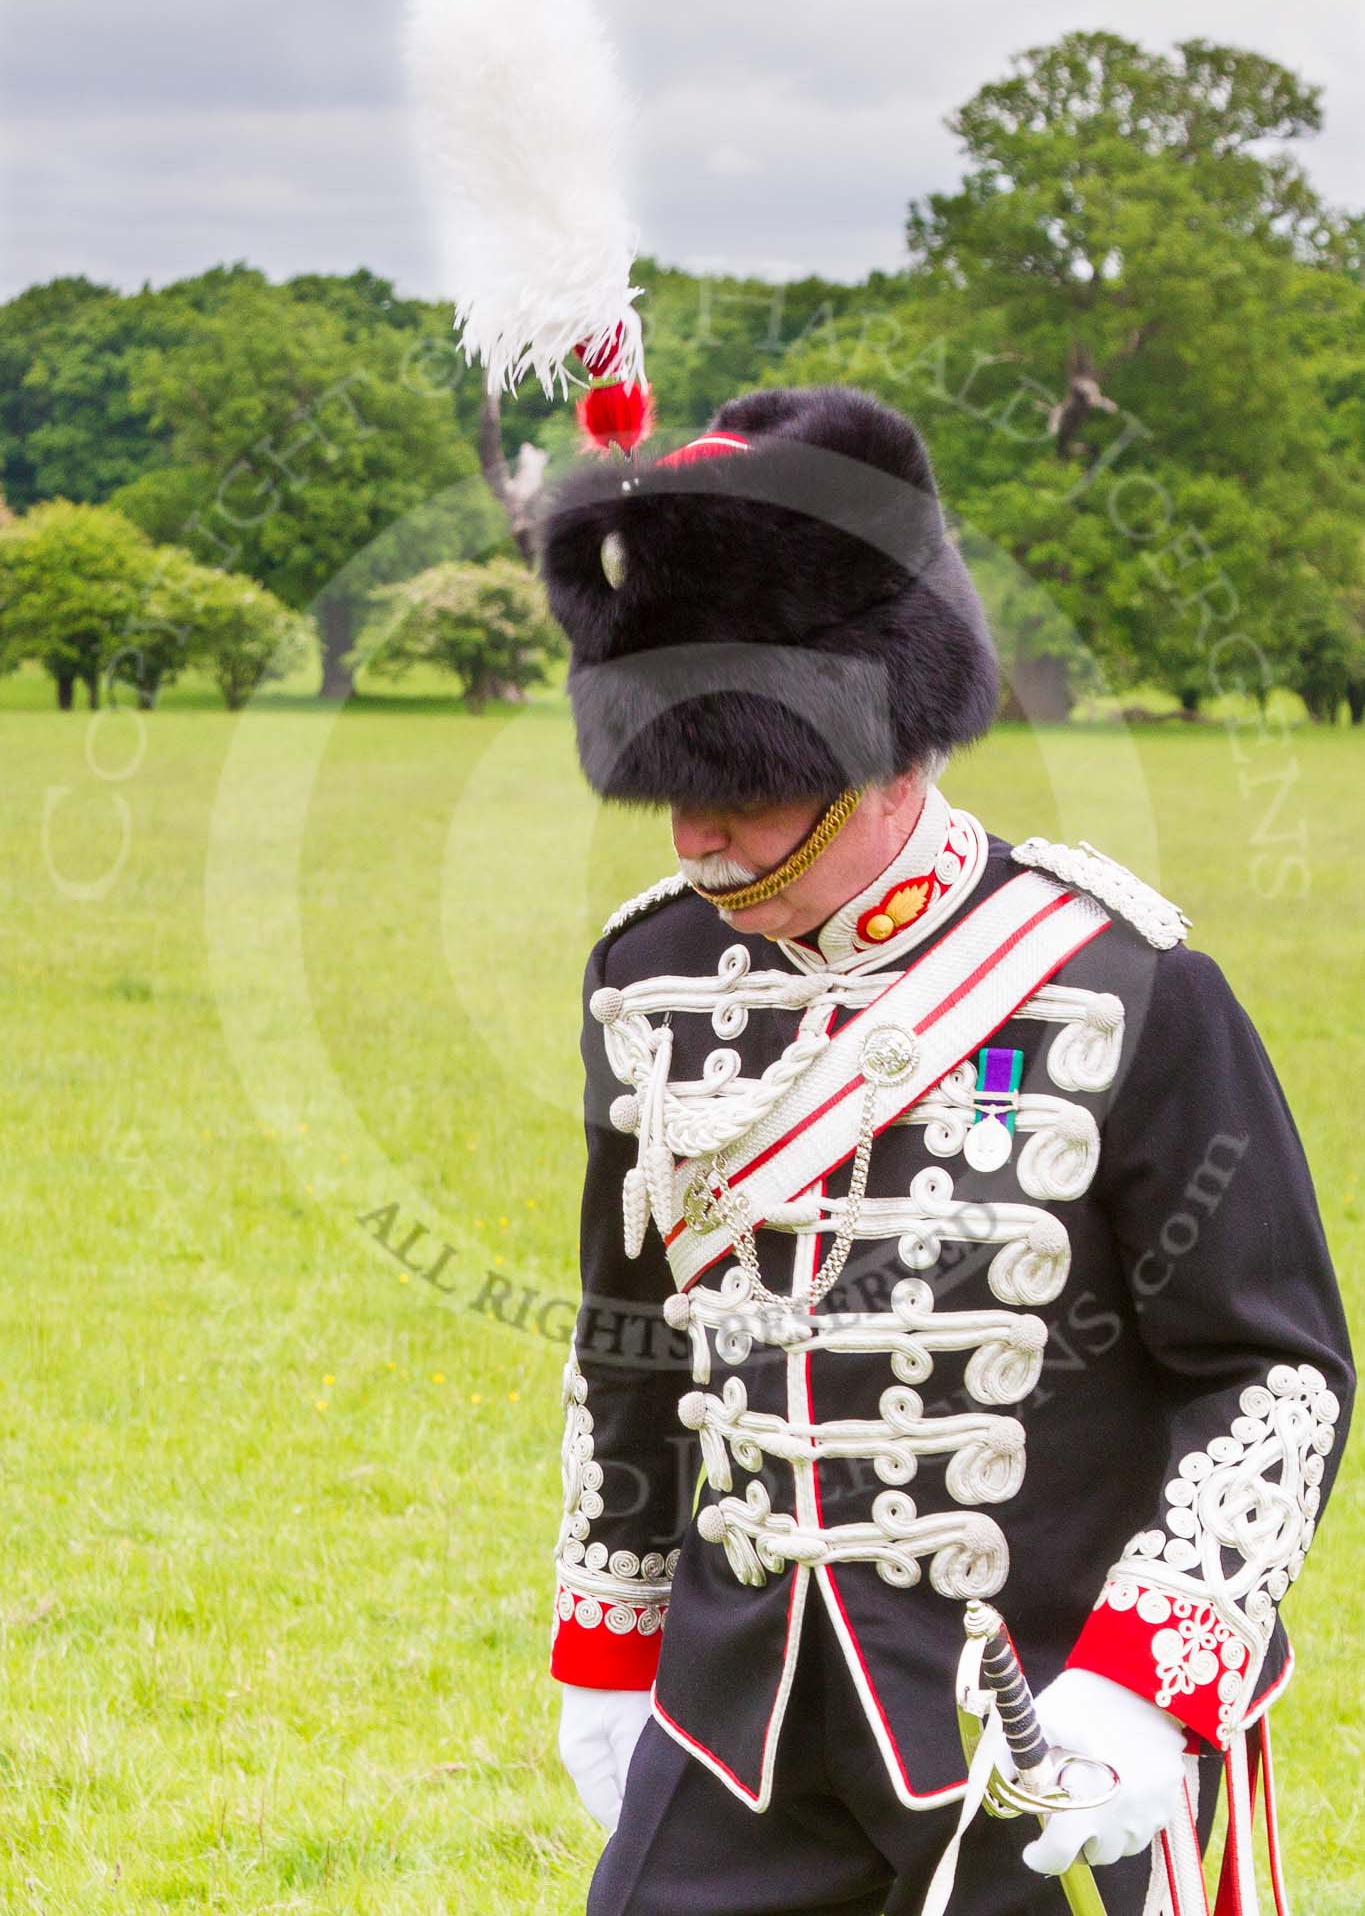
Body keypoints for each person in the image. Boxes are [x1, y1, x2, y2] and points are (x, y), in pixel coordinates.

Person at [540, 384, 1354, 1916]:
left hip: (1028, 1719)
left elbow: (1271, 1372)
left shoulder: (1118, 979)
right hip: (736, 1718)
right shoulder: (643, 977)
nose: (696, 846)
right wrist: (607, 1649)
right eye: (670, 795)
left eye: (741, 792)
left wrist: (1139, 1681)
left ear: (886, 746)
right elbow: (630, 1345)